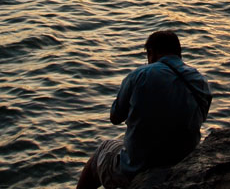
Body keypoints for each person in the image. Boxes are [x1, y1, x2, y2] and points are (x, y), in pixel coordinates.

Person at [76, 30, 211, 189]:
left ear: (151, 53)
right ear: (178, 53)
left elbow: (115, 117)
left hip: (141, 166)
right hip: (184, 160)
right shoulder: (199, 81)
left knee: (103, 151)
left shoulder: (140, 75)